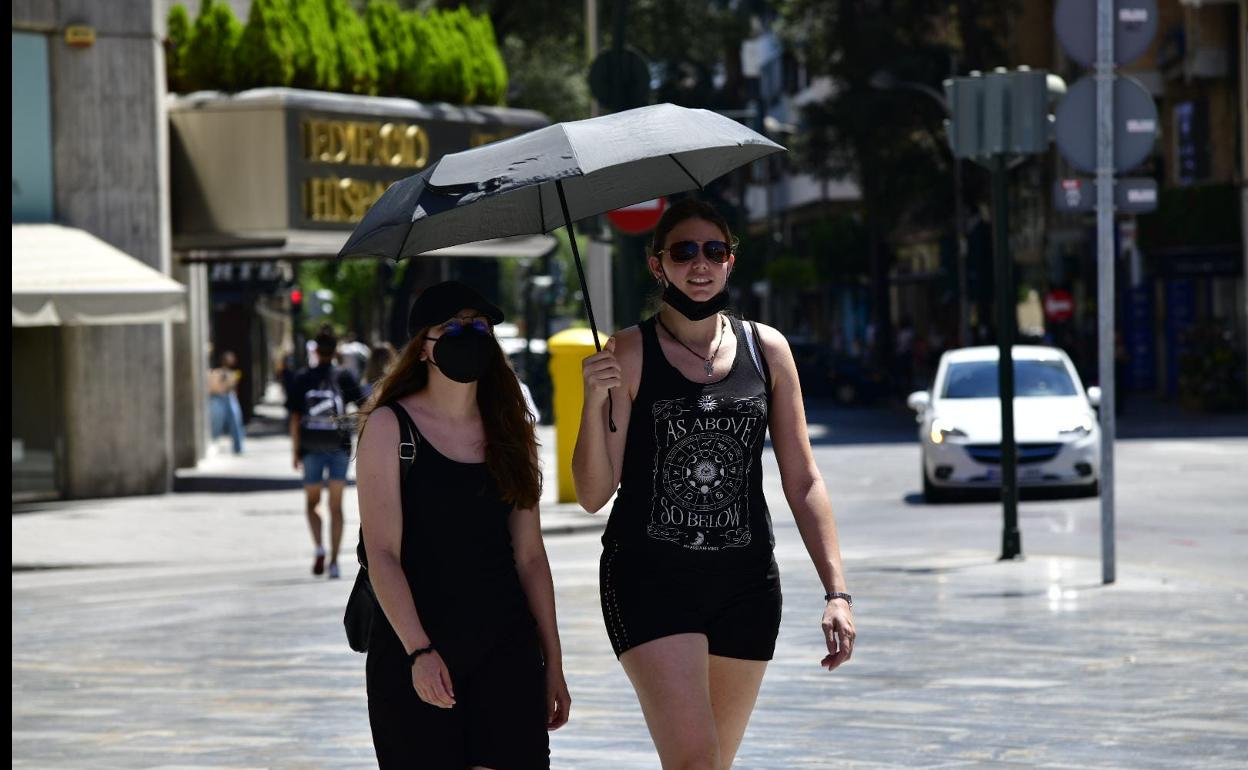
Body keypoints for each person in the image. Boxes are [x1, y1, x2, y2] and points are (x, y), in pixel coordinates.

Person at [572, 199, 855, 770]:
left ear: (730, 261)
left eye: (713, 251)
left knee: (712, 765)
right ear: (658, 266)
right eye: (683, 252)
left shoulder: (766, 349)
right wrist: (593, 399)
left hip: (745, 584)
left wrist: (837, 592)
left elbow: (802, 479)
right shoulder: (626, 353)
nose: (698, 265)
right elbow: (592, 493)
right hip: (649, 579)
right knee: (694, 761)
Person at [355, 280, 570, 768]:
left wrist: (553, 664)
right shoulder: (390, 428)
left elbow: (531, 556)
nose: (468, 335)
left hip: (506, 645)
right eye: (450, 327)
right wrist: (419, 652)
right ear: (423, 350)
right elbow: (381, 554)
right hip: (419, 645)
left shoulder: (511, 426)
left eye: (478, 326)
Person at [287, 328, 365, 579]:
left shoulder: (302, 378)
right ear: (335, 351)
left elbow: (295, 418)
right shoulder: (344, 377)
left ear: (315, 351)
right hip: (339, 448)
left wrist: (295, 451)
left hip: (311, 447)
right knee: (336, 506)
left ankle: (319, 546)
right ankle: (334, 561)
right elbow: (364, 409)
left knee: (312, 503)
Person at [207, 350, 245, 454]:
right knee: (216, 422)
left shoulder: (233, 373)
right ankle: (213, 443)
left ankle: (238, 447)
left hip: (229, 397)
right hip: (218, 398)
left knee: (236, 421)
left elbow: (234, 386)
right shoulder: (215, 372)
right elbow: (212, 387)